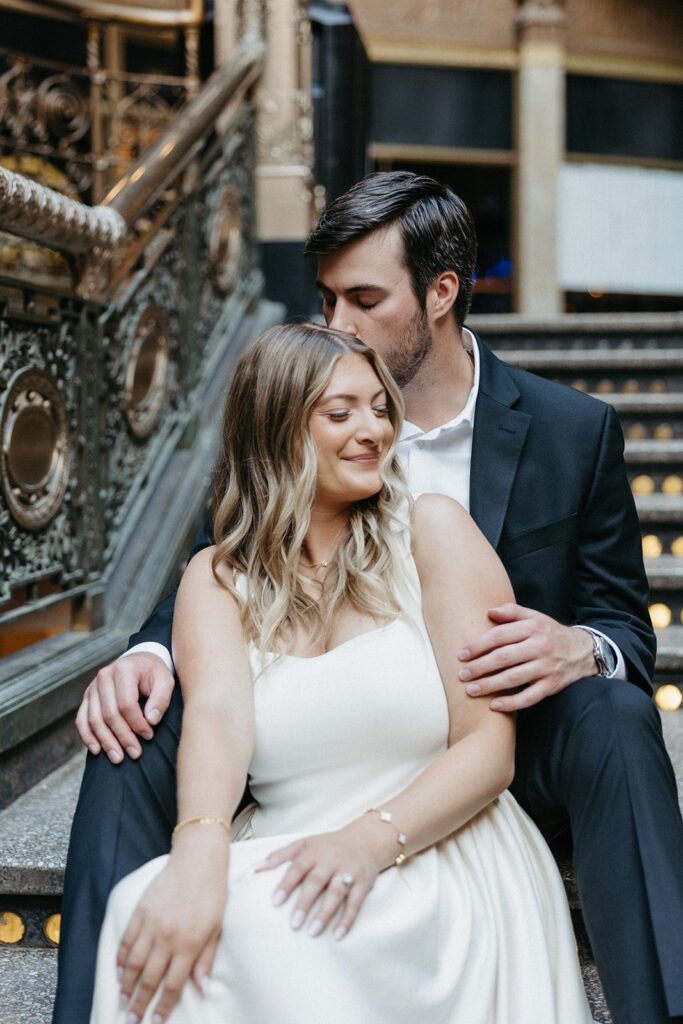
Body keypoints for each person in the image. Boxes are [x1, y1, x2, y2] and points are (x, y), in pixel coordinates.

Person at [54, 172, 683, 1024]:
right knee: (127, 729)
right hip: (315, 731)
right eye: (326, 298)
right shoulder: (287, 415)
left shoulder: (573, 430)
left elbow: (621, 624)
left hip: (499, 733)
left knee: (616, 716)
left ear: (440, 293)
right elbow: (232, 564)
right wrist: (145, 653)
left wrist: (584, 647)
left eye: (362, 299)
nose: (334, 323)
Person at [88, 321, 594, 1024]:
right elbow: (217, 718)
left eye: (380, 407)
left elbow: (488, 749)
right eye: (340, 412)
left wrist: (365, 842)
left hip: (429, 850)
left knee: (269, 927)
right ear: (276, 428)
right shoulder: (216, 577)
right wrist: (198, 852)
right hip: (281, 847)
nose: (374, 430)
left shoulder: (434, 533)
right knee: (135, 907)